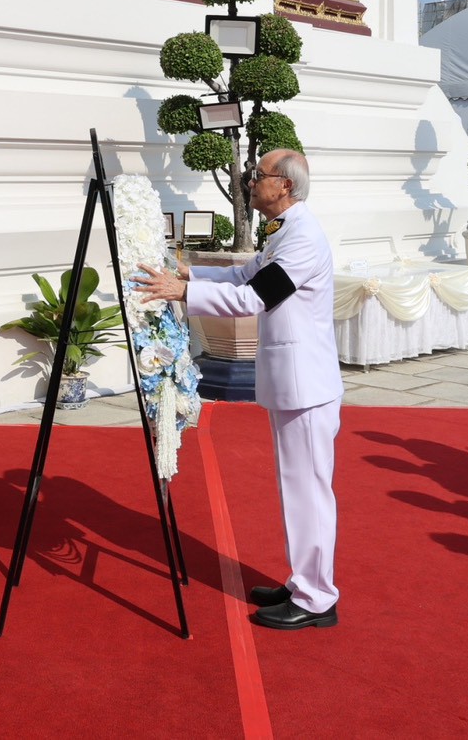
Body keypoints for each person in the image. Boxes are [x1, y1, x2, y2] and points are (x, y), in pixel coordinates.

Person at [135, 150, 343, 631]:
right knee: (297, 488)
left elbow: (254, 297)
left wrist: (184, 293)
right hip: (295, 383)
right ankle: (303, 582)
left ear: (285, 185)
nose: (250, 181)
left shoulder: (303, 238)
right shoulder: (284, 230)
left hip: (307, 386)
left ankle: (317, 598)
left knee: (309, 492)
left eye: (258, 175)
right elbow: (244, 275)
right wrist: (190, 274)